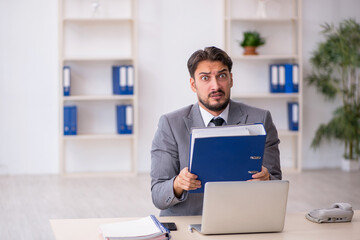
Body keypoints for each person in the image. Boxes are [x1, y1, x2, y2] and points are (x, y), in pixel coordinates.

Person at [151, 46, 281, 216]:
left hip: (242, 220)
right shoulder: (170, 124)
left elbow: (277, 184)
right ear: (193, 84)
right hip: (188, 223)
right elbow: (158, 196)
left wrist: (267, 179)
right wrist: (177, 184)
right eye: (205, 78)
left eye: (222, 76)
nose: (216, 86)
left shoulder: (261, 119)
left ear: (231, 79)